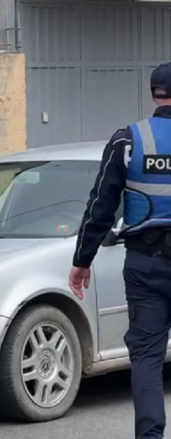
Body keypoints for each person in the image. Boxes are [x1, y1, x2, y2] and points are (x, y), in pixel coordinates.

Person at [69, 61, 171, 439]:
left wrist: (82, 261)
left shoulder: (128, 141)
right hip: (147, 264)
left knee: (146, 357)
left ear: (153, 94)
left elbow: (101, 205)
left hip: (146, 263)